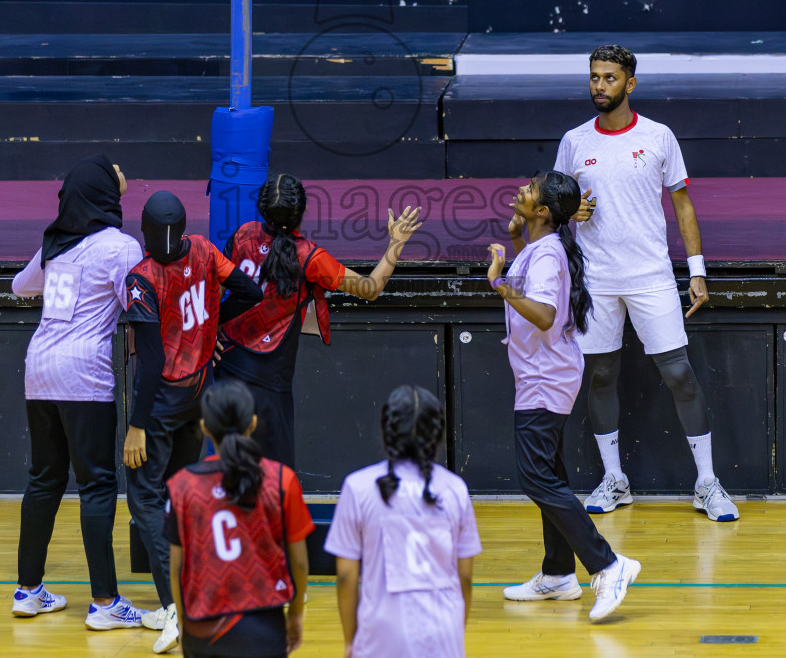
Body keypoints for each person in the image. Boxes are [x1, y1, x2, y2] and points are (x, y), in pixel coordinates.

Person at [554, 43, 738, 521]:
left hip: (651, 276)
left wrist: (696, 272)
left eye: (610, 78)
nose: (600, 85)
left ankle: (707, 483)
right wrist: (568, 209)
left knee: (679, 374)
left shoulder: (658, 137)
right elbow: (553, 206)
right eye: (594, 76)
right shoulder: (574, 141)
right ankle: (614, 479)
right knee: (600, 375)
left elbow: (682, 205)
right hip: (595, 279)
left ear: (630, 84)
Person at [488, 170, 640, 622]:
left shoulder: (550, 254)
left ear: (543, 212)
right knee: (548, 471)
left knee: (536, 478)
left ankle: (608, 565)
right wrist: (518, 243)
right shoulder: (542, 247)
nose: (521, 188)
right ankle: (557, 574)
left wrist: (498, 281)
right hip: (540, 375)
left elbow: (545, 315)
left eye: (530, 190)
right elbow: (536, 291)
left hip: (544, 379)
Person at [8, 155, 149, 630]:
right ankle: (106, 603)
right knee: (97, 484)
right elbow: (137, 302)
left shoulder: (56, 244)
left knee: (45, 478)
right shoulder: (120, 247)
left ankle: (28, 591)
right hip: (83, 376)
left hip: (39, 368)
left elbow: (19, 286)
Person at [124, 191, 265, 654]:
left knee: (146, 498)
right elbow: (250, 290)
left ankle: (176, 608)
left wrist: (136, 425)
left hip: (161, 401)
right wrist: (214, 329)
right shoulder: (203, 249)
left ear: (143, 230)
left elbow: (148, 360)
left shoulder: (142, 279)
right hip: (199, 392)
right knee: (179, 496)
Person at [218, 173, 423, 466]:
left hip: (228, 362)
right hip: (270, 373)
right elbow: (371, 288)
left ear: (262, 209)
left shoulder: (242, 235)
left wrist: (208, 336)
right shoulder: (310, 256)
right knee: (275, 472)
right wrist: (396, 243)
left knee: (232, 462)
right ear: (302, 212)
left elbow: (213, 295)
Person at [325, 384, 481, 658]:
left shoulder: (357, 486)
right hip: (442, 633)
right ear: (437, 434)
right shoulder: (455, 488)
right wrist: (454, 629)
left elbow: (346, 576)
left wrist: (351, 640)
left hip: (380, 636)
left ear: (387, 431)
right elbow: (465, 576)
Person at [166, 380, 312, 658]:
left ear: (205, 427)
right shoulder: (281, 480)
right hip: (264, 630)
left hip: (202, 631)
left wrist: (183, 624)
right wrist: (294, 615)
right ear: (253, 424)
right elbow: (300, 562)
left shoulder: (181, 486)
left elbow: (176, 568)